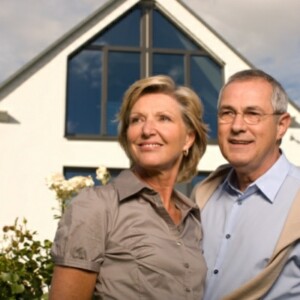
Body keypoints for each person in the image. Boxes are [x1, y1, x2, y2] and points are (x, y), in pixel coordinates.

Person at [49, 75, 208, 299]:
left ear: (188, 139)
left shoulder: (192, 219)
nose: (147, 130)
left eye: (163, 118)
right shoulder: (97, 206)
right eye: (136, 120)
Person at [192, 69, 300, 299]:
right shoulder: (202, 195)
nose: (237, 126)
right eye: (227, 113)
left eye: (253, 114)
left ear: (281, 126)